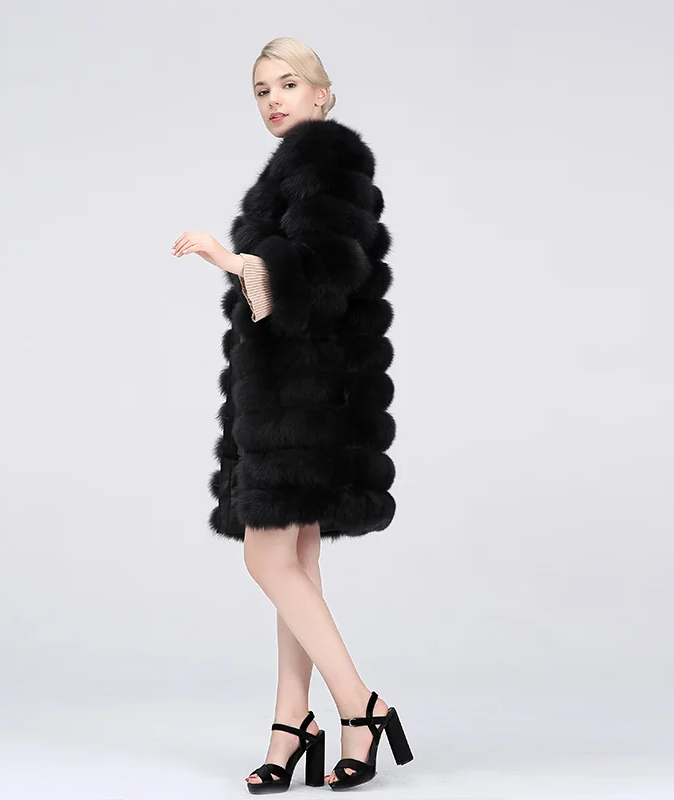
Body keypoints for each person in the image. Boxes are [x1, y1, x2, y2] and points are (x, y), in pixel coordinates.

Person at [171, 37, 412, 793]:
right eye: (261, 90)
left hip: (304, 399)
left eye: (287, 85)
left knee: (266, 558)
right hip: (299, 393)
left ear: (321, 92)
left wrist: (229, 259)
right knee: (298, 562)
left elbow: (317, 285)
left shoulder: (327, 161)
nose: (274, 100)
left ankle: (360, 704)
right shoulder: (296, 167)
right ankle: (291, 721)